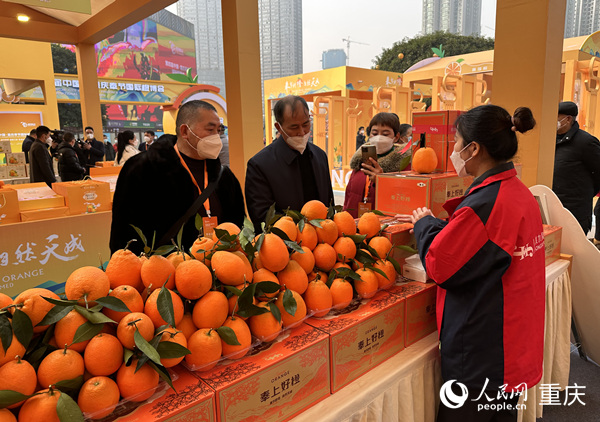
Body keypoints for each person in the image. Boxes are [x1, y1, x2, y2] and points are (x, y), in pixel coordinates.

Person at [406, 105, 544, 422]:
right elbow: (484, 247)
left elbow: (441, 264)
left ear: (474, 149)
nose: (453, 150)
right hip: (512, 341)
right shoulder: (517, 192)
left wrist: (424, 225)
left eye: (456, 142)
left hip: (485, 350)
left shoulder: (487, 203)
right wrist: (446, 227)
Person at [110, 100, 245, 255]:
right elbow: (122, 233)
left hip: (220, 269)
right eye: (210, 130)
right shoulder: (142, 169)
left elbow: (238, 225)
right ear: (185, 131)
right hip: (163, 272)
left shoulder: (224, 176)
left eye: (218, 131)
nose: (216, 136)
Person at [245, 95, 333, 231]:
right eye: (294, 127)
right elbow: (263, 218)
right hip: (283, 245)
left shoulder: (319, 155)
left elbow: (329, 204)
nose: (302, 132)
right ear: (278, 127)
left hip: (323, 243)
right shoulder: (260, 165)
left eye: (305, 124)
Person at [344, 113, 411, 218]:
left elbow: (406, 201)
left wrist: (382, 182)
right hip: (353, 226)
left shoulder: (405, 166)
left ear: (396, 137)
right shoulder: (360, 162)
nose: (379, 138)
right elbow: (349, 196)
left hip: (384, 227)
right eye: (374, 133)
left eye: (385, 134)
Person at [553, 101, 600, 236]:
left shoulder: (586, 142)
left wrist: (583, 194)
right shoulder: (550, 139)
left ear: (568, 119)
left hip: (575, 212)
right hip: (553, 207)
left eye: (556, 116)